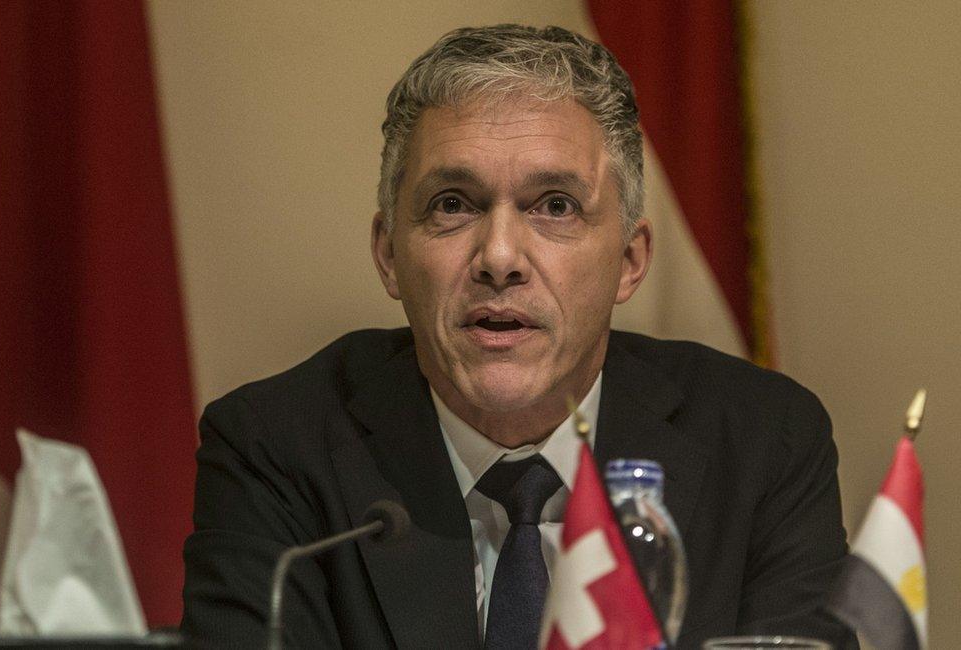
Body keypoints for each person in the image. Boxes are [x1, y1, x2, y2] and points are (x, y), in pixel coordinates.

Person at [181, 25, 856, 649]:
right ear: (389, 255)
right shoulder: (274, 449)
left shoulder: (765, 441)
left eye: (555, 206)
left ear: (630, 261)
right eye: (452, 204)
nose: (499, 256)